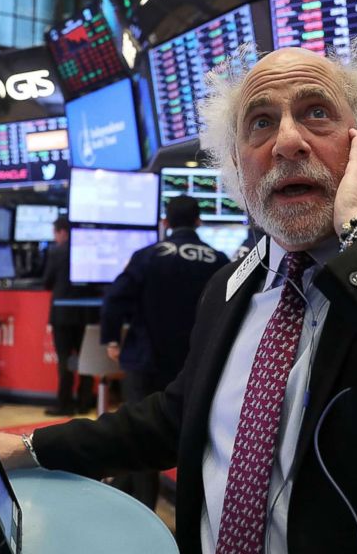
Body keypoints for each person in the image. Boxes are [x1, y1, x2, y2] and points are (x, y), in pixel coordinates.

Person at [0, 46, 357, 552]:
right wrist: (28, 446)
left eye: (316, 113)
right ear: (235, 163)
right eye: (259, 122)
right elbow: (180, 417)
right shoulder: (233, 285)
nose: (286, 142)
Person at [100, 194, 229, 507]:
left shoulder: (147, 255)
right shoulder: (220, 260)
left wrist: (113, 340)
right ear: (198, 221)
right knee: (189, 433)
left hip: (145, 360)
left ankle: (141, 506)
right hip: (192, 364)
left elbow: (115, 299)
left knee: (141, 431)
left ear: (166, 223)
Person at [42, 215, 96, 416]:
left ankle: (65, 404)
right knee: (85, 358)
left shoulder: (57, 252)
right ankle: (84, 401)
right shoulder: (90, 250)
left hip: (63, 314)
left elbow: (47, 282)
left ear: (62, 231)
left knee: (65, 359)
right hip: (87, 313)